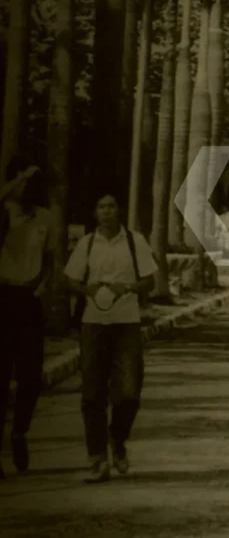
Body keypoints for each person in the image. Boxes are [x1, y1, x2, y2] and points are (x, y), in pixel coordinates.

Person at [65, 191, 157, 483]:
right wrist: (87, 290)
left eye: (111, 206)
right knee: (92, 394)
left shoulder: (135, 241)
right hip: (93, 324)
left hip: (126, 324)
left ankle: (117, 441)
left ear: (119, 210)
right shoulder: (87, 243)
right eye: (101, 207)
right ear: (95, 213)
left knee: (129, 392)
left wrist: (127, 288)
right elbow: (70, 278)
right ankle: (97, 458)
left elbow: (149, 280)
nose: (106, 211)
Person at [0, 159, 55, 479]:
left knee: (30, 376)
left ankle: (20, 433)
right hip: (3, 297)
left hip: (29, 299)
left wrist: (44, 285)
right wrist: (17, 178)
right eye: (23, 182)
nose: (28, 188)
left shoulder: (45, 218)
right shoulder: (4, 213)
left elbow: (50, 258)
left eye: (33, 182)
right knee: (1, 375)